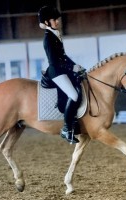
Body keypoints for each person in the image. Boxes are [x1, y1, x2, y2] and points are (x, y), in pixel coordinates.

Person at [38, 5, 85, 144]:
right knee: (74, 95)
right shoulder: (48, 38)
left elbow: (63, 56)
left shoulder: (55, 35)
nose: (57, 22)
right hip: (56, 72)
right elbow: (54, 60)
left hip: (62, 69)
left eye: (57, 19)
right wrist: (71, 68)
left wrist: (76, 65)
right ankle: (66, 129)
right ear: (47, 22)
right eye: (54, 20)